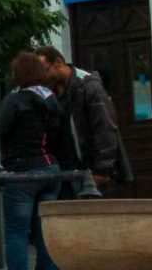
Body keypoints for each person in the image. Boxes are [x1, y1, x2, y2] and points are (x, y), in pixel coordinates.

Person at [0, 52, 70, 270]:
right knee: (45, 234)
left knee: (16, 232)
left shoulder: (15, 100)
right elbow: (60, 134)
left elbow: (0, 133)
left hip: (21, 172)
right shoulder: (50, 99)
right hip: (51, 170)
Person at [38, 46, 126, 192]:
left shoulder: (89, 87)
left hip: (89, 171)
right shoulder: (53, 92)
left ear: (59, 62)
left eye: (45, 70)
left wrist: (102, 168)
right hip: (68, 170)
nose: (43, 78)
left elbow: (104, 126)